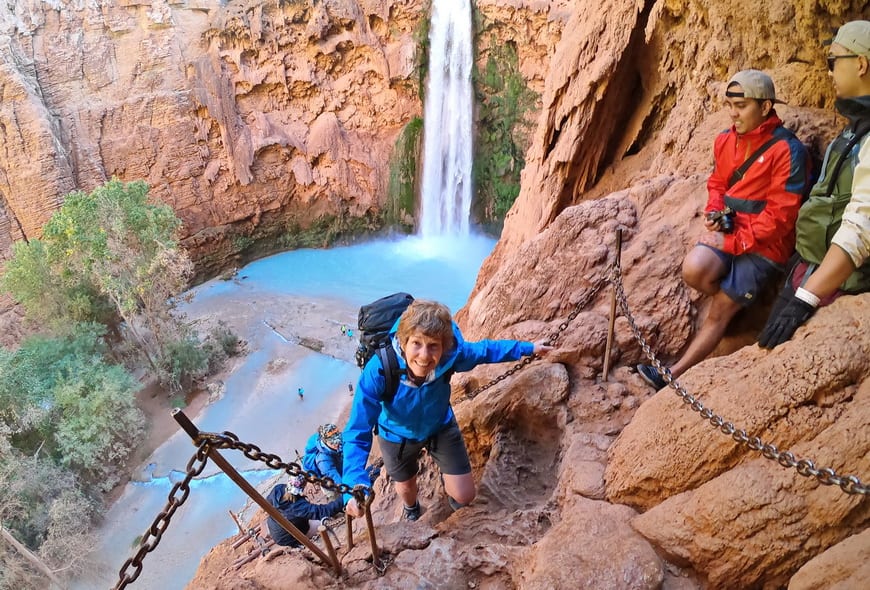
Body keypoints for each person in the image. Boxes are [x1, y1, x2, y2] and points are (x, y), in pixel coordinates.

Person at [637, 69, 811, 389]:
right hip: (732, 230)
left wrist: (735, 242)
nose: (733, 112)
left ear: (766, 107)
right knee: (693, 270)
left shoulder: (789, 151)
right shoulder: (724, 140)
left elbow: (781, 216)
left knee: (717, 313)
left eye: (741, 105)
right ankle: (738, 302)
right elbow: (717, 184)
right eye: (730, 104)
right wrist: (716, 212)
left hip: (767, 246)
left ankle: (673, 374)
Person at [341, 299, 552, 522]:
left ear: (444, 346)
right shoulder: (380, 370)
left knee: (464, 495)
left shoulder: (452, 356)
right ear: (403, 342)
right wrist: (354, 483)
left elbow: (486, 350)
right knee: (405, 485)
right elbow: (357, 430)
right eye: (417, 344)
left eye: (433, 345)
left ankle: (451, 507)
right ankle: (412, 509)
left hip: (439, 426)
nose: (424, 356)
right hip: (396, 435)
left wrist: (530, 348)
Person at [759, 20, 870, 348]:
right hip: (811, 270)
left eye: (833, 62)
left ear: (861, 64)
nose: (829, 72)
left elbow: (861, 228)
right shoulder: (858, 125)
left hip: (836, 286)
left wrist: (805, 299)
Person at [265, 474, 344, 547]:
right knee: (326, 520)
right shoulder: (298, 507)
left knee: (306, 516)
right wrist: (345, 498)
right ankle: (298, 544)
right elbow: (324, 511)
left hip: (274, 527)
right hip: (287, 538)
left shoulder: (277, 489)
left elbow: (269, 502)